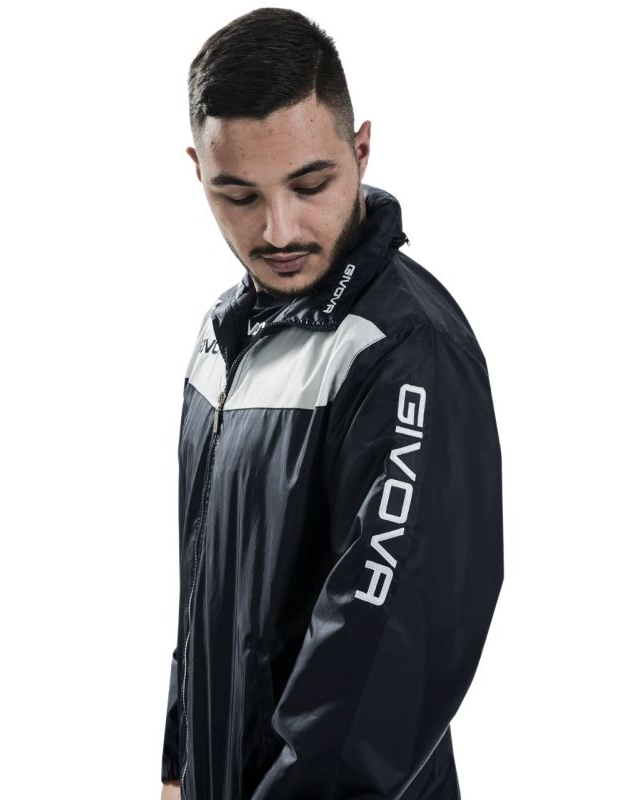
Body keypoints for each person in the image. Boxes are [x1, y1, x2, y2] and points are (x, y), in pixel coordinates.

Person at [160, 8, 504, 800]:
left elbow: (385, 655)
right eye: (238, 195)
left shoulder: (404, 350)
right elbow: (204, 590)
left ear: (361, 151)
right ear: (198, 172)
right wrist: (178, 764)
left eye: (310, 185)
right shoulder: (224, 339)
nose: (278, 229)